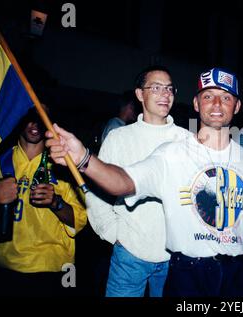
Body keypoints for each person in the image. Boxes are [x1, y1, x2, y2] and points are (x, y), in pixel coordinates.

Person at [46, 67, 243, 297]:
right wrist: (84, 159)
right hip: (171, 264)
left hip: (229, 271)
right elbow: (123, 181)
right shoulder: (170, 152)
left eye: (226, 97)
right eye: (208, 96)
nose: (217, 104)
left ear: (237, 106)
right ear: (196, 104)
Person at [86, 65, 190, 297]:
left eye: (170, 89)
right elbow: (96, 189)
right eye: (156, 88)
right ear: (140, 94)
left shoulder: (187, 140)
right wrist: (114, 234)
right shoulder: (119, 137)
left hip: (175, 256)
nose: (165, 94)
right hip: (129, 254)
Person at [0, 108, 87, 296]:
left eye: (40, 117)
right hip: (4, 263)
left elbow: (81, 221)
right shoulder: (0, 162)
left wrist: (55, 203)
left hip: (54, 267)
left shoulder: (64, 164)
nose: (34, 123)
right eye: (29, 116)